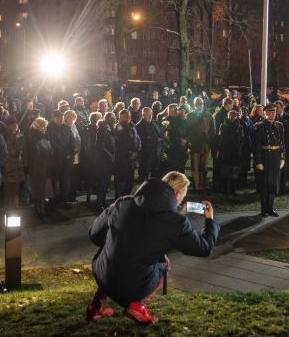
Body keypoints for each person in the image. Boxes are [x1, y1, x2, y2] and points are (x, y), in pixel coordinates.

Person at [86, 171, 219, 324]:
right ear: (176, 194)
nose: (183, 200)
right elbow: (204, 248)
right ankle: (138, 305)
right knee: (164, 263)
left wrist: (115, 241)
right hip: (132, 286)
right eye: (183, 195)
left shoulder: (123, 203)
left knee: (115, 253)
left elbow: (94, 234)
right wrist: (209, 221)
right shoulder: (175, 222)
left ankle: (95, 306)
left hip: (103, 274)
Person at [254, 104, 284, 217]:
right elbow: (256, 146)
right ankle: (264, 208)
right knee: (264, 184)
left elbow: (282, 144)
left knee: (273, 184)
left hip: (275, 157)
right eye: (271, 112)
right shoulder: (260, 126)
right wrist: (258, 161)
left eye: (274, 112)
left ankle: (271, 208)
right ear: (265, 113)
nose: (273, 114)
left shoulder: (279, 125)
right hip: (265, 156)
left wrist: (282, 158)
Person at [47, 110, 76, 208]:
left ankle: (64, 200)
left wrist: (69, 153)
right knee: (54, 181)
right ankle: (53, 201)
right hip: (55, 159)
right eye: (58, 117)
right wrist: (63, 153)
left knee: (65, 181)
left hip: (66, 159)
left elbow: (73, 141)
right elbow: (51, 143)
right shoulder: (49, 129)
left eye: (61, 117)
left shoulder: (66, 128)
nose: (61, 119)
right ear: (53, 118)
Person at [27, 117, 55, 218]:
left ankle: (42, 208)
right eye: (43, 127)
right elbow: (35, 155)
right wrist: (44, 164)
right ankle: (38, 209)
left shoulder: (44, 137)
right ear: (37, 127)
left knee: (44, 190)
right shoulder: (33, 138)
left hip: (46, 168)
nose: (45, 129)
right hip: (38, 169)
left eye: (45, 127)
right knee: (38, 190)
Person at [186, 97, 212, 192]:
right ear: (194, 104)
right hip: (195, 144)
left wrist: (209, 142)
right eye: (198, 103)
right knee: (195, 166)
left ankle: (203, 185)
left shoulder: (208, 115)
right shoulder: (190, 115)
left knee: (204, 166)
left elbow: (212, 130)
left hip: (205, 144)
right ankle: (196, 186)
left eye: (201, 103)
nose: (200, 105)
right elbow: (188, 130)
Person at [114, 109, 141, 198]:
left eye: (129, 115)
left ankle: (127, 198)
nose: (129, 117)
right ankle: (118, 200)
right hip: (122, 160)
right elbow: (119, 143)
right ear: (120, 116)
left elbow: (138, 139)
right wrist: (129, 153)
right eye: (126, 115)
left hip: (132, 160)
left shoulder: (132, 125)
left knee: (130, 181)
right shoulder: (118, 127)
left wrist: (137, 151)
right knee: (121, 181)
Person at [217, 110, 245, 195]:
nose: (231, 118)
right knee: (225, 171)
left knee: (234, 171)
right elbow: (220, 138)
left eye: (233, 116)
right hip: (225, 151)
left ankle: (232, 189)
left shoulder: (239, 127)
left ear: (236, 117)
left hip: (235, 152)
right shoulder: (223, 126)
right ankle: (225, 189)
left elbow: (241, 139)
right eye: (229, 116)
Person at [2, 116, 25, 210]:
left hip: (18, 167)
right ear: (8, 126)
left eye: (16, 124)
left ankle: (15, 207)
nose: (15, 126)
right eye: (12, 124)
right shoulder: (4, 136)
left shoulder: (21, 135)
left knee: (16, 188)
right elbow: (4, 151)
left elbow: (23, 150)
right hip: (8, 167)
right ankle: (8, 207)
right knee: (8, 188)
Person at [275, 100, 289, 193]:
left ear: (282, 107)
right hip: (275, 149)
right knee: (276, 167)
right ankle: (276, 186)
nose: (276, 110)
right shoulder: (273, 118)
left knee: (285, 168)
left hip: (287, 147)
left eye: (277, 107)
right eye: (275, 108)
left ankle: (283, 186)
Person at [136, 107, 162, 181]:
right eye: (148, 115)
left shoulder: (155, 122)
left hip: (156, 154)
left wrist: (163, 135)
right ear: (143, 115)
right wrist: (156, 139)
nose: (150, 116)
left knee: (155, 175)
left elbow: (159, 133)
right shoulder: (139, 126)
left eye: (151, 114)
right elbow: (142, 138)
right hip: (145, 156)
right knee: (144, 176)